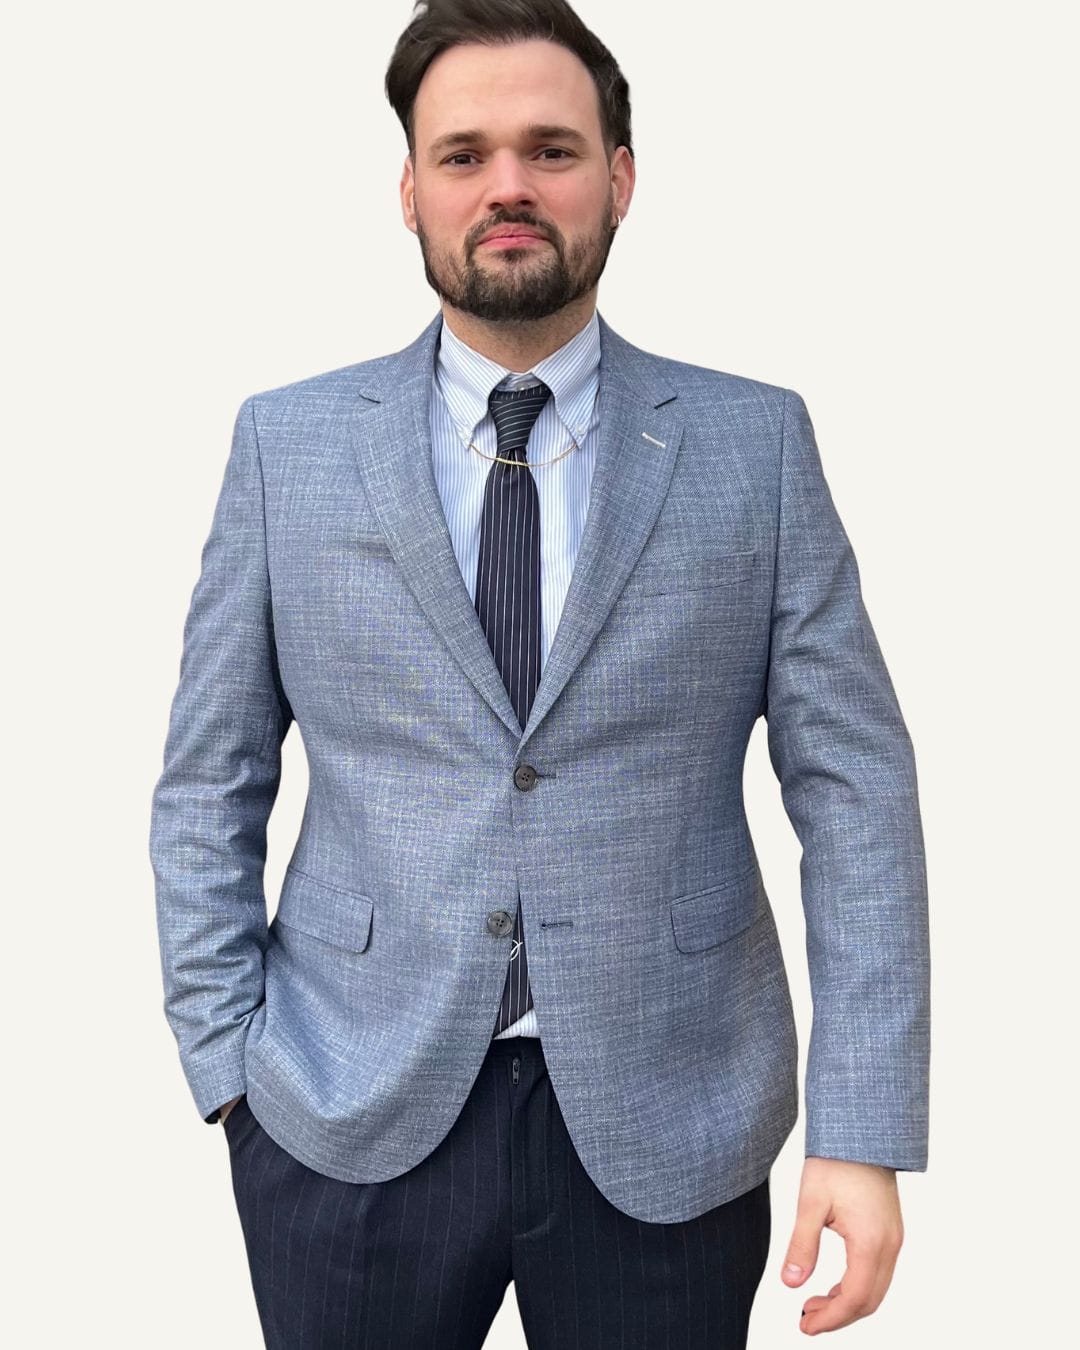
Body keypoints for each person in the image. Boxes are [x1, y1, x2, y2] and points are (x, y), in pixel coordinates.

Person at [149, 1, 930, 1345]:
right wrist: (229, 1064)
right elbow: (206, 778)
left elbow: (856, 791)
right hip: (344, 1107)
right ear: (409, 190)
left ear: (619, 178)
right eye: (463, 155)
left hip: (673, 1112)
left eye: (550, 150)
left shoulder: (754, 447)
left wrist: (861, 1128)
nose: (506, 186)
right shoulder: (287, 446)